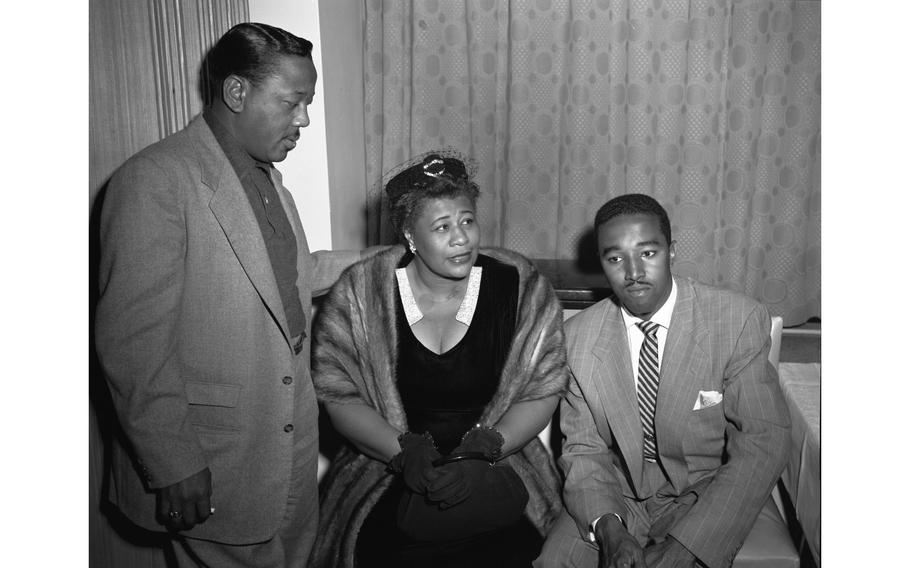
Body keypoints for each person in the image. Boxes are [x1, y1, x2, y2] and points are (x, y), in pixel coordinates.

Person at [94, 22, 367, 567]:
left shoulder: (266, 178)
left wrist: (391, 256)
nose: (305, 119)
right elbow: (132, 344)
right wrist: (173, 464)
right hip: (212, 454)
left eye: (307, 103)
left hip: (285, 436)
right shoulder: (155, 180)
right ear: (237, 92)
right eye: (293, 102)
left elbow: (291, 275)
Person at [309, 153, 568, 568]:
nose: (462, 238)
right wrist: (402, 450)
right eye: (442, 227)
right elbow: (339, 396)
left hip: (498, 467)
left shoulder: (519, 286)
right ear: (411, 236)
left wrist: (488, 447)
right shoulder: (361, 292)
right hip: (387, 472)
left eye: (467, 221)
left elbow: (544, 387)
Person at [536, 194, 791, 568]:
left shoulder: (736, 320)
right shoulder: (577, 339)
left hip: (705, 491)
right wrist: (611, 530)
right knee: (555, 560)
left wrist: (687, 548)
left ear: (671, 252)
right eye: (615, 258)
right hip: (618, 494)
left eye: (648, 253)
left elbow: (762, 442)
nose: (633, 272)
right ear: (601, 263)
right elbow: (583, 450)